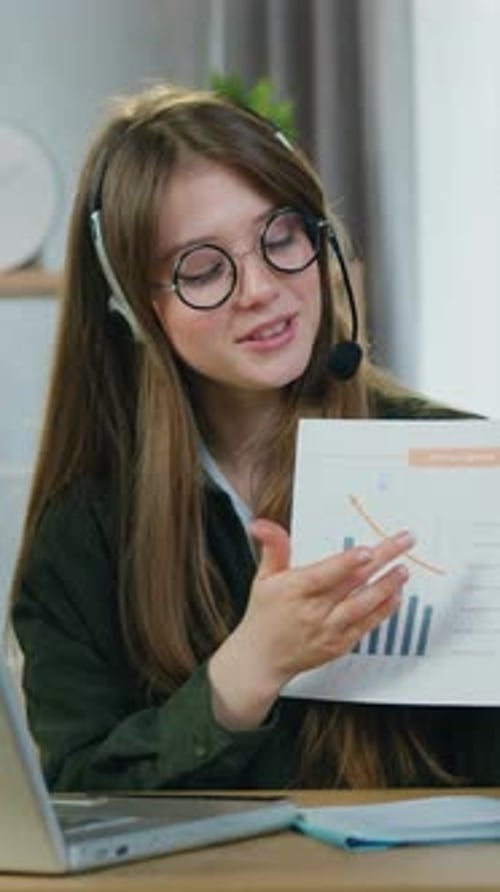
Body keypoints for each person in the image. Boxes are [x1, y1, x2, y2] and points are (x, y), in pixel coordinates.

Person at [10, 83, 498, 794]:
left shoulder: (461, 464)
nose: (260, 288)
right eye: (203, 270)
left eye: (281, 238)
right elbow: (79, 805)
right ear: (133, 308)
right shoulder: (83, 533)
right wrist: (247, 673)